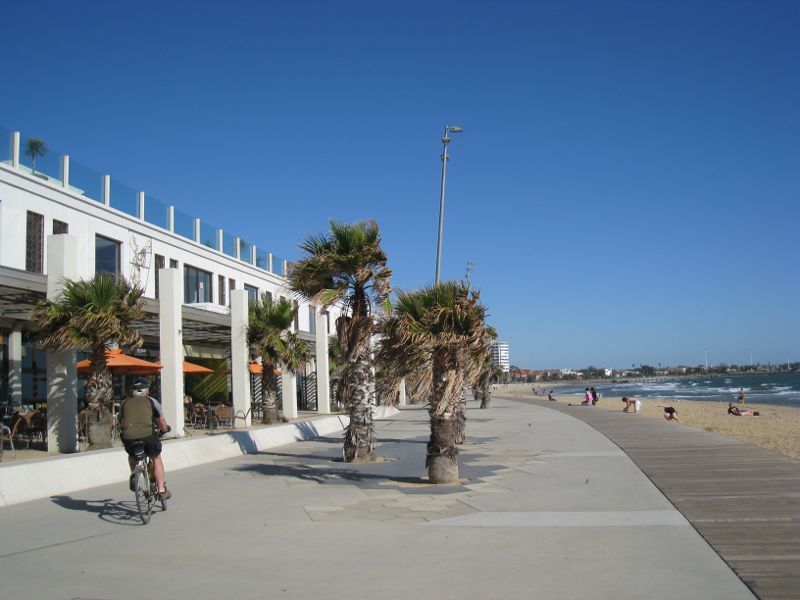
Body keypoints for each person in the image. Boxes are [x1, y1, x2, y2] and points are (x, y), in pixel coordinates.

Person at [120, 377, 172, 500]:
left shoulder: (124, 403)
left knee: (132, 455)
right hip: (148, 436)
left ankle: (134, 473)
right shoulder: (152, 401)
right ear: (147, 391)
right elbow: (161, 421)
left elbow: (121, 421)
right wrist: (165, 430)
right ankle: (161, 490)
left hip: (129, 437)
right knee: (156, 458)